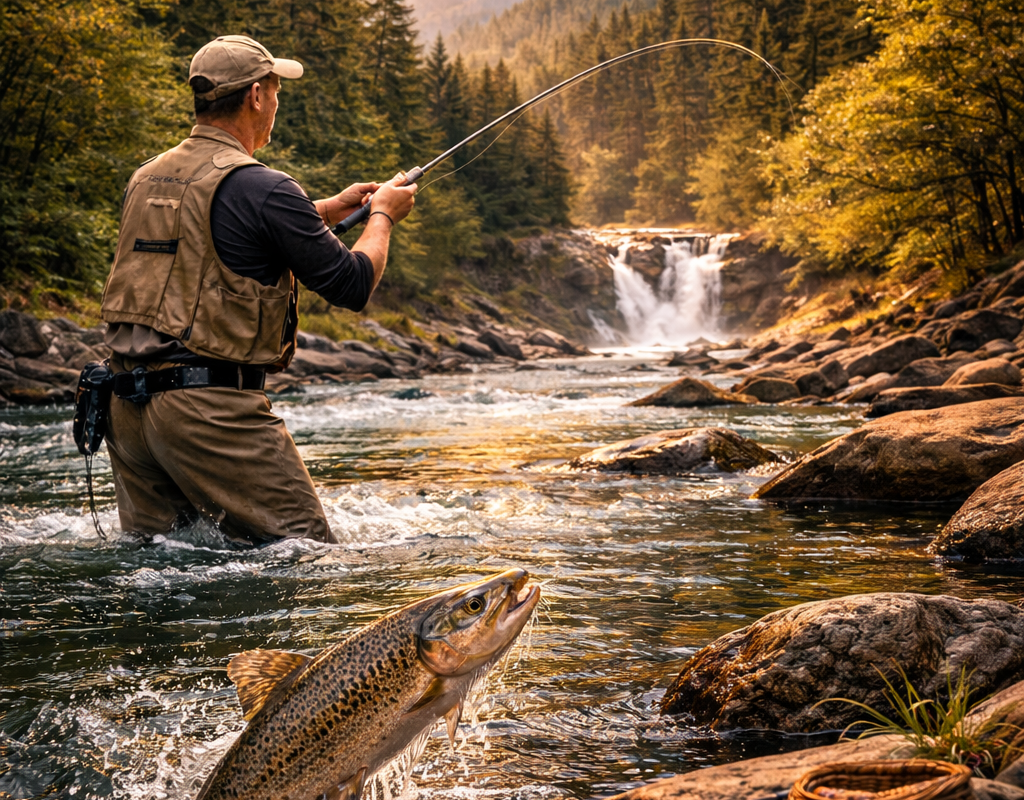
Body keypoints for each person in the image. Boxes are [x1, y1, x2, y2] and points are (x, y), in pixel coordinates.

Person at [99, 35, 417, 545]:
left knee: (162, 570)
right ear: (254, 96)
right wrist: (382, 217)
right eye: (274, 92)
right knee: (305, 557)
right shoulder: (263, 186)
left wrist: (328, 210)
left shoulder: (146, 177)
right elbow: (352, 283)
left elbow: (209, 243)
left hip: (125, 409)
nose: (274, 103)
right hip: (208, 415)